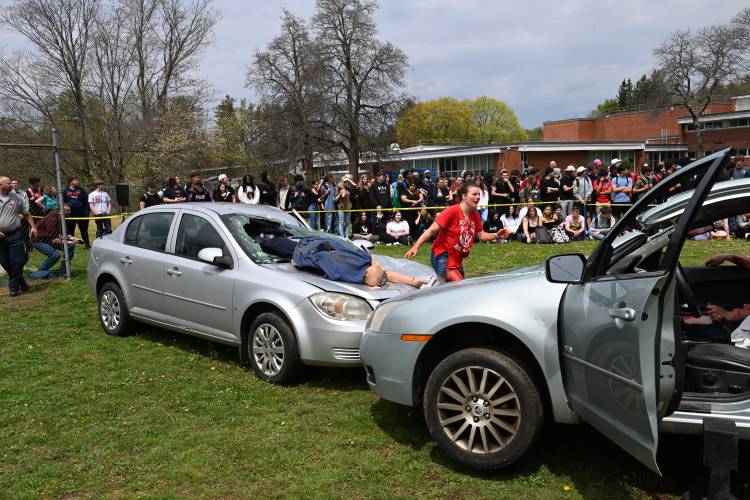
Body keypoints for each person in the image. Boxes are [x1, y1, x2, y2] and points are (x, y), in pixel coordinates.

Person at [405, 183, 507, 282]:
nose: (478, 197)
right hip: (442, 255)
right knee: (451, 286)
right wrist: (415, 246)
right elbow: (431, 230)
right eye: (474, 194)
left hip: (456, 257)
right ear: (464, 196)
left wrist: (496, 235)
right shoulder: (452, 211)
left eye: (479, 194)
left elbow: (481, 235)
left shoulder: (475, 215)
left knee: (457, 286)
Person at [260, 235, 427, 288]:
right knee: (272, 243)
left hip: (309, 251)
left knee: (276, 245)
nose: (384, 278)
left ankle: (263, 241)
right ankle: (263, 240)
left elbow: (320, 267)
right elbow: (388, 274)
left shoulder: (347, 272)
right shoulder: (364, 261)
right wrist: (300, 261)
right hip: (307, 248)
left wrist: (413, 281)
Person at [0, 176, 38, 296]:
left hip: (15, 234)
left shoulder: (17, 197)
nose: (11, 184)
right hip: (0, 238)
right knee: (5, 262)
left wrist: (33, 227)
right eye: (8, 183)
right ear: (1, 185)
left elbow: (26, 213)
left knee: (17, 261)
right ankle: (21, 281)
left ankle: (13, 287)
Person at [29, 206, 83, 278]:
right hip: (39, 241)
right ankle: (39, 272)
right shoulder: (52, 219)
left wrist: (76, 239)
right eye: (67, 211)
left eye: (69, 210)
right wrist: (69, 242)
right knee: (55, 255)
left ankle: (64, 270)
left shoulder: (61, 218)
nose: (69, 212)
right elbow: (54, 240)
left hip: (49, 240)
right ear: (60, 211)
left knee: (70, 247)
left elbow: (66, 234)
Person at [62, 176, 91, 248]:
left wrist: (86, 213)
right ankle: (71, 244)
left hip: (82, 214)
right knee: (70, 231)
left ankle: (87, 244)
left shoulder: (81, 190)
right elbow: (62, 202)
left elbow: (86, 202)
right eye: (75, 180)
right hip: (70, 215)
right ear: (71, 182)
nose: (77, 181)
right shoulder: (65, 191)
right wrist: (64, 208)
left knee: (84, 230)